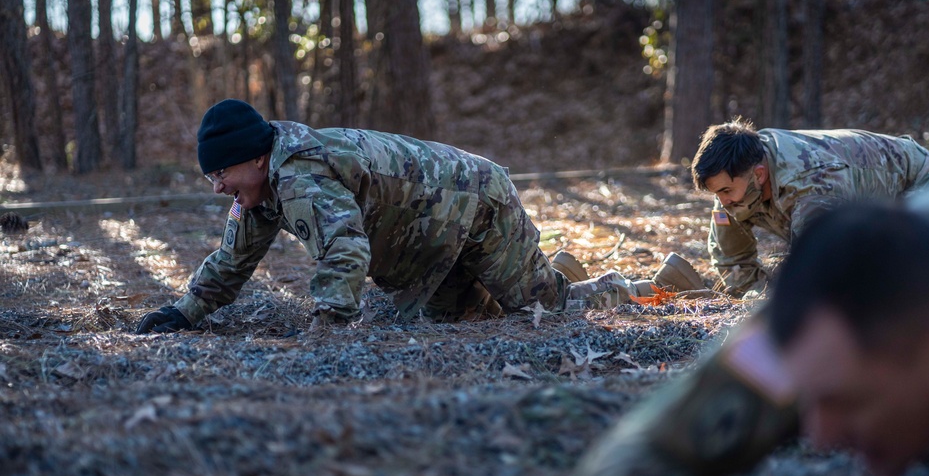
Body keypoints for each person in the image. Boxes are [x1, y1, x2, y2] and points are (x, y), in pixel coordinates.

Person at [573, 188, 929, 476]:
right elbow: (629, 469)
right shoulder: (833, 308)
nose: (817, 436)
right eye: (805, 400)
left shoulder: (897, 322)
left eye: (844, 402)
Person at [136, 99, 635, 333]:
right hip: (433, 241)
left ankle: (625, 286)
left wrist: (328, 325)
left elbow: (346, 247)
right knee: (457, 319)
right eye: (211, 177)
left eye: (223, 171)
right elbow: (232, 260)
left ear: (257, 158)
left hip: (478, 203)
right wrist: (184, 313)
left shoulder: (299, 175)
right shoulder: (258, 190)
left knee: (543, 311)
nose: (219, 186)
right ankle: (539, 270)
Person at [690, 118, 929, 296]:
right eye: (716, 193)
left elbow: (819, 270)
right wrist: (760, 295)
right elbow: (732, 260)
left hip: (915, 179)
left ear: (759, 175)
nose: (722, 202)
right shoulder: (736, 181)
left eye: (725, 191)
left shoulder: (812, 185)